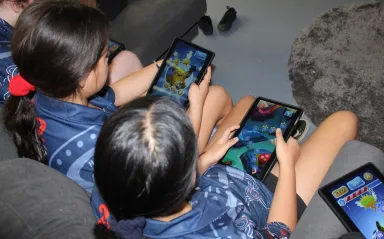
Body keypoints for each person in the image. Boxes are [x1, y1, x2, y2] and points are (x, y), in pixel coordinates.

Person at [3, 0, 233, 194]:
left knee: (213, 97)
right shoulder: (98, 144)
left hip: (131, 167)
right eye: (105, 57)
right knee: (215, 96)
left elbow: (115, 93)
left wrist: (164, 66)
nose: (110, 61)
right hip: (164, 181)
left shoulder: (47, 95)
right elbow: (170, 176)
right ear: (82, 75)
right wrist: (197, 105)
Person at [91, 95, 358, 238]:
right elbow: (280, 232)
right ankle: (285, 154)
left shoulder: (115, 191)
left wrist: (205, 161)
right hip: (268, 200)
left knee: (247, 102)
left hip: (221, 177)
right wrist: (287, 166)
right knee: (345, 120)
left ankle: (280, 151)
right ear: (184, 178)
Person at [0, 0, 142, 106]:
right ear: (15, 3)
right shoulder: (7, 61)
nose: (41, 4)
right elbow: (53, 103)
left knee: (125, 60)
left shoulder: (12, 32)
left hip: (55, 101)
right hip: (53, 116)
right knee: (127, 61)